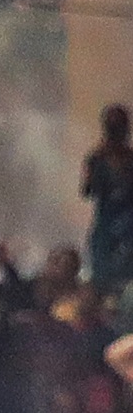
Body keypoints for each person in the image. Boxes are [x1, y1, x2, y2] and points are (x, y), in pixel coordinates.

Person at [87, 105, 133, 305]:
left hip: (128, 223)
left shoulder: (130, 159)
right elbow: (88, 190)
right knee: (102, 269)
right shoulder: (97, 158)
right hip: (106, 222)